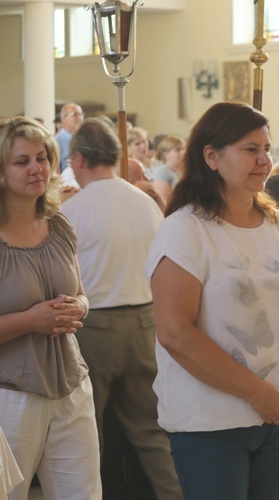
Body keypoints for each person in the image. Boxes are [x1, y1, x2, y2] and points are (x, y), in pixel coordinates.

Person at [146, 102, 279, 499]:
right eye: (250, 149)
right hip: (212, 424)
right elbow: (175, 333)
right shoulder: (185, 231)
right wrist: (258, 394)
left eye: (268, 148)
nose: (265, 160)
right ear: (211, 156)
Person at [60, 117, 182, 499]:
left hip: (96, 329)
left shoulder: (73, 211)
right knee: (151, 431)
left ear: (78, 158)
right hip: (146, 324)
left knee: (85, 433)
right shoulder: (145, 203)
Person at [0, 116, 101, 499]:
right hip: (10, 390)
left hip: (71, 383)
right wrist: (30, 320)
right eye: (21, 161)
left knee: (83, 493)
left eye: (41, 158)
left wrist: (80, 308)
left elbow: (80, 293)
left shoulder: (59, 225)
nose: (35, 168)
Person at [151, 133, 186, 203]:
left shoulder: (185, 169)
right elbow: (163, 202)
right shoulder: (162, 172)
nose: (182, 152)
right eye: (178, 150)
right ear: (166, 154)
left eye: (183, 149)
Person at [54, 103, 84, 172]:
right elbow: (56, 168)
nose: (80, 118)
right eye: (75, 115)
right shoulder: (58, 140)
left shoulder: (85, 138)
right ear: (64, 118)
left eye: (81, 114)